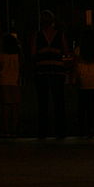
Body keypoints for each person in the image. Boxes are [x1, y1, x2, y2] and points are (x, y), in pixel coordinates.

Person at [30, 10, 69, 139]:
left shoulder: (37, 35)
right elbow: (65, 50)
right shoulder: (59, 34)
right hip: (57, 70)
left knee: (43, 102)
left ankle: (43, 132)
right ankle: (60, 131)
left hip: (42, 70)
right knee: (59, 101)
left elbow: (33, 52)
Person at [73, 26, 94, 138]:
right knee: (91, 105)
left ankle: (81, 128)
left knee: (82, 105)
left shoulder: (79, 50)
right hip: (93, 77)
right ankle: (90, 128)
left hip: (82, 77)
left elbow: (75, 65)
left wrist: (74, 77)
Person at [0, 33, 23, 137]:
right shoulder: (18, 56)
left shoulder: (1, 56)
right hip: (15, 82)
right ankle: (14, 129)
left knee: (6, 106)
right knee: (15, 106)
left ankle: (6, 129)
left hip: (4, 82)